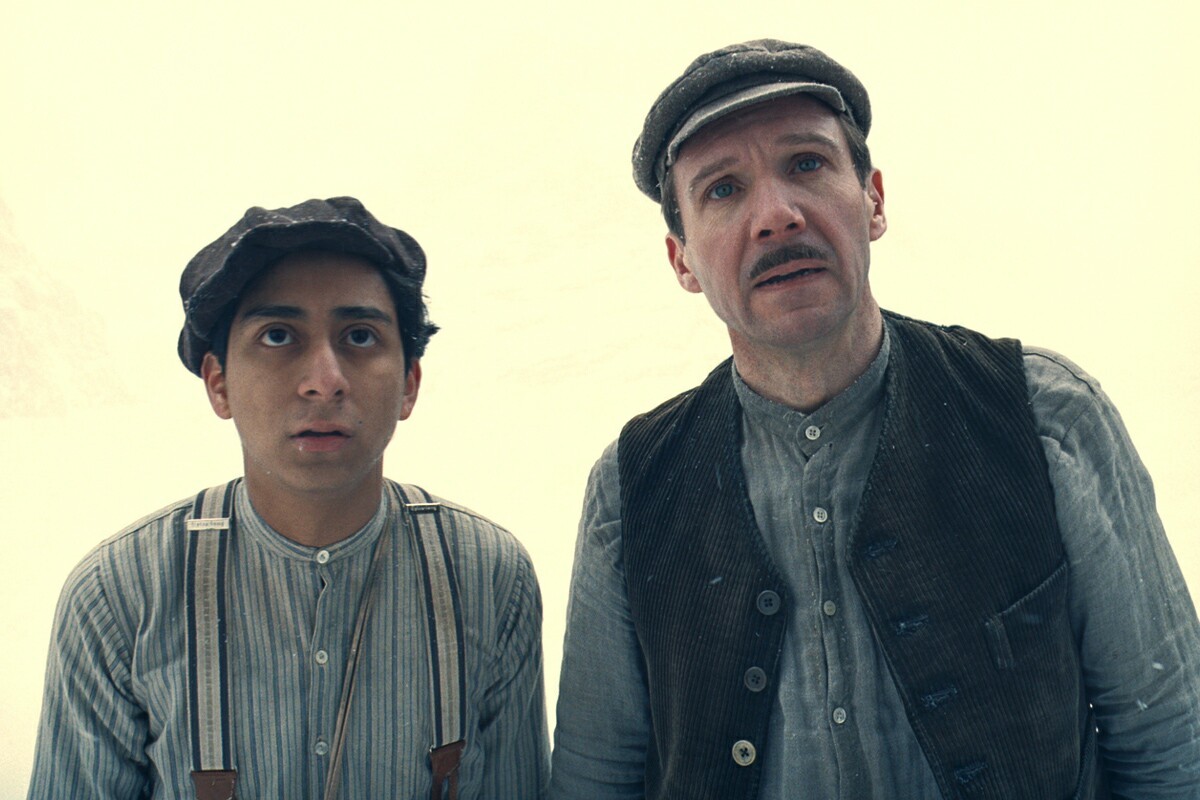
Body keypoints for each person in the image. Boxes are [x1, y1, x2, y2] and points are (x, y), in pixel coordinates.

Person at [550, 40, 1200, 800]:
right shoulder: (630, 493)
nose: (777, 216)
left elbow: (1174, 751)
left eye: (806, 164)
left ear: (874, 200)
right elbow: (594, 784)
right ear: (682, 261)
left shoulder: (1046, 417)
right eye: (723, 190)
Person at [27, 197, 550, 799]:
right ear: (219, 383)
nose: (324, 381)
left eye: (359, 336)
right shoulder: (118, 596)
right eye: (278, 336)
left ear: (409, 383)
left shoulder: (488, 577)